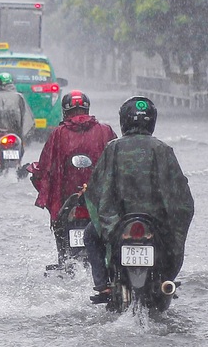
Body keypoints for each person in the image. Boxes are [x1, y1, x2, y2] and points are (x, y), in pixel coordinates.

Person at [83, 95, 195, 295]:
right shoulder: (162, 149)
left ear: (124, 120)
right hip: (158, 227)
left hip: (117, 226)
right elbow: (181, 197)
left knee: (90, 235)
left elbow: (95, 190)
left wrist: (109, 223)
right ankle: (167, 279)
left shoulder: (113, 148)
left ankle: (102, 286)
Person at [30, 90, 116, 259]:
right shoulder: (105, 131)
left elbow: (45, 169)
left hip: (66, 205)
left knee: (64, 254)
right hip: (99, 203)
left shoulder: (58, 134)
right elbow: (117, 165)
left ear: (65, 111)